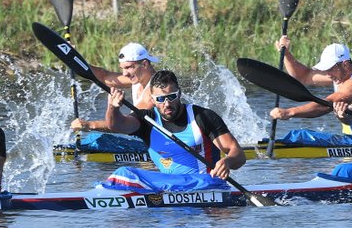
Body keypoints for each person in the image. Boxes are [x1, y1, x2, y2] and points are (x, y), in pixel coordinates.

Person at [102, 69, 246, 180]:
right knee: (124, 174)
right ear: (152, 99)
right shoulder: (148, 120)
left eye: (171, 97)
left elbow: (239, 155)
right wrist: (113, 107)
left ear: (179, 94)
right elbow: (116, 125)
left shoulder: (202, 117)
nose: (166, 104)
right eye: (160, 99)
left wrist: (227, 161)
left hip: (205, 184)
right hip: (170, 186)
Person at [269, 40, 352, 138]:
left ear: (345, 64)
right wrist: (286, 54)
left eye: (329, 69)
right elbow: (303, 76)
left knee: (302, 136)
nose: (327, 74)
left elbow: (326, 105)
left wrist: (289, 112)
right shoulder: (340, 73)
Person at [70, 41, 160, 132]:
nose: (124, 74)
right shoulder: (139, 77)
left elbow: (125, 124)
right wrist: (73, 58)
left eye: (128, 67)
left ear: (145, 64)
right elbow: (103, 76)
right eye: (122, 68)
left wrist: (90, 125)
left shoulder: (154, 91)